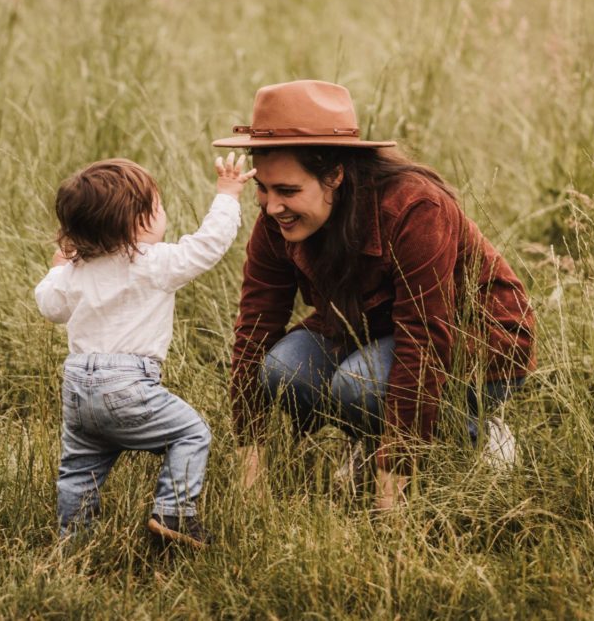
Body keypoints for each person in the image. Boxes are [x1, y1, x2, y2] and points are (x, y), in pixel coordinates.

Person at [214, 80, 535, 510]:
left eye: (288, 191)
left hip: (471, 341)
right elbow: (254, 329)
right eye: (263, 189)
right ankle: (371, 437)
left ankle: (475, 433)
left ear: (335, 175)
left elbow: (423, 341)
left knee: (356, 385)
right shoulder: (276, 221)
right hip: (372, 330)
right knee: (281, 369)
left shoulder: (414, 208)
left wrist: (391, 496)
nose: (272, 207)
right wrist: (249, 467)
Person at [35, 154, 256, 546]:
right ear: (140, 221)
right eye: (158, 206)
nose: (163, 212)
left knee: (78, 467)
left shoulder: (75, 271)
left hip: (77, 388)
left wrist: (56, 269)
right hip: (127, 383)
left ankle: (73, 542)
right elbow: (207, 246)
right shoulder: (152, 262)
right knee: (191, 433)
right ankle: (173, 512)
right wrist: (227, 194)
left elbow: (50, 308)